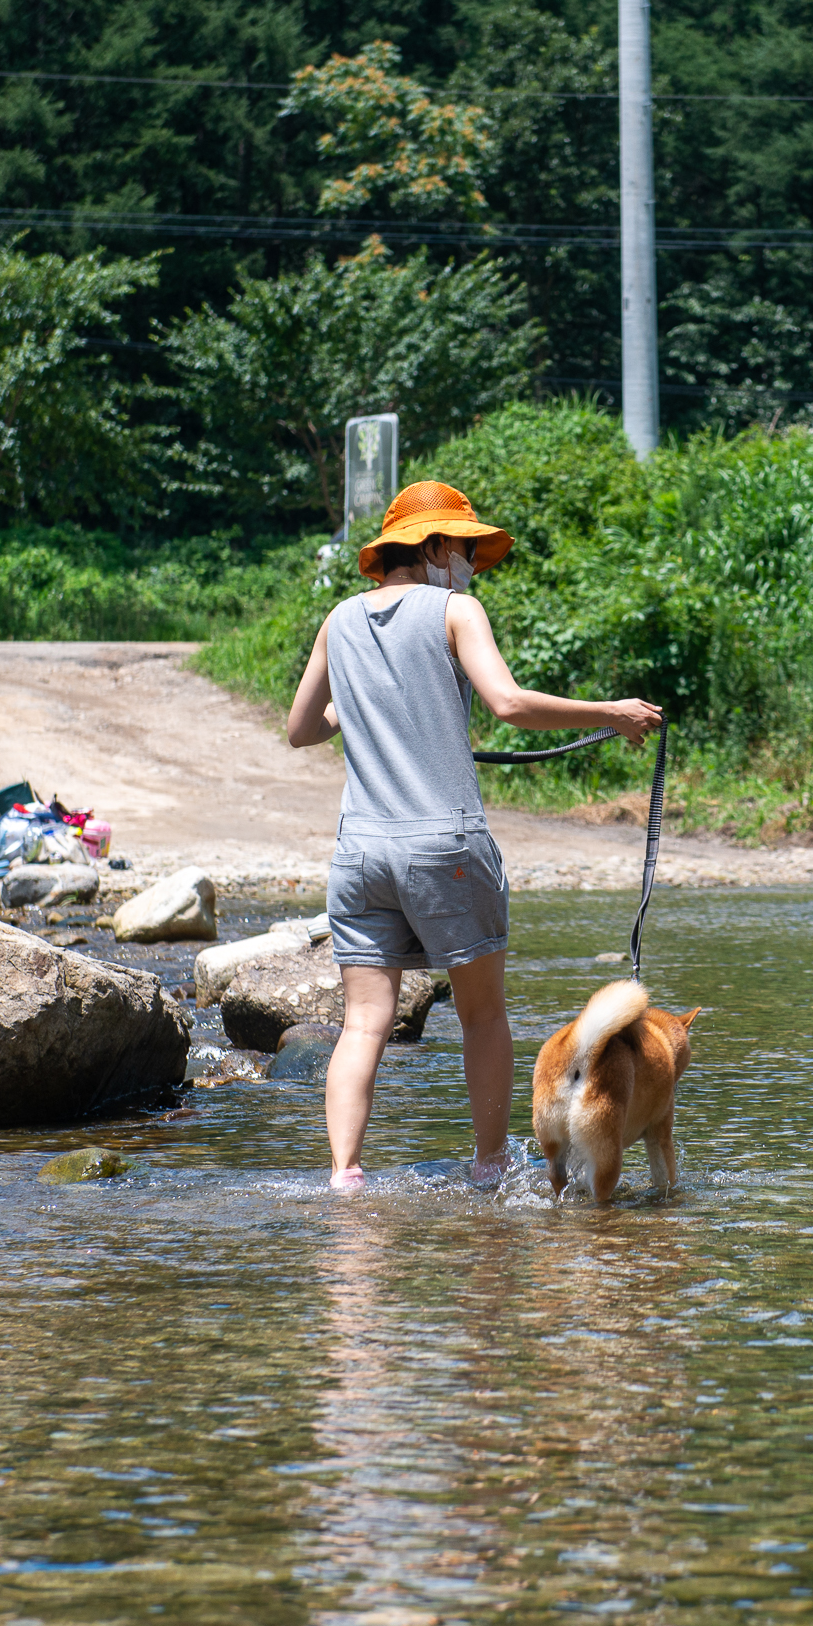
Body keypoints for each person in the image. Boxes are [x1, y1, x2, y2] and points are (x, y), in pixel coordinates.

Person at [286, 481, 663, 1192]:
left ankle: (345, 1176)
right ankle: (490, 1166)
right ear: (432, 547)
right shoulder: (456, 610)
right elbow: (508, 703)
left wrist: (358, 708)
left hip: (360, 852)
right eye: (462, 548)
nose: (467, 565)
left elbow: (302, 728)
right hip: (446, 847)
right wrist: (610, 712)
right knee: (482, 1015)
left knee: (363, 1023)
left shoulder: (339, 619)